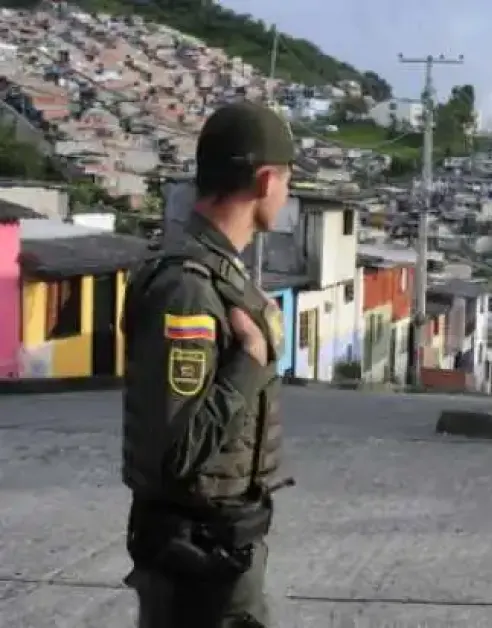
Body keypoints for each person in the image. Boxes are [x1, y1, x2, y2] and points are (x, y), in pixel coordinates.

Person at [120, 101, 295, 628]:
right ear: (265, 181)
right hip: (195, 563)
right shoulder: (189, 287)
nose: (286, 194)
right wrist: (249, 362)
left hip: (221, 554)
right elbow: (177, 451)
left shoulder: (218, 272)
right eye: (287, 180)